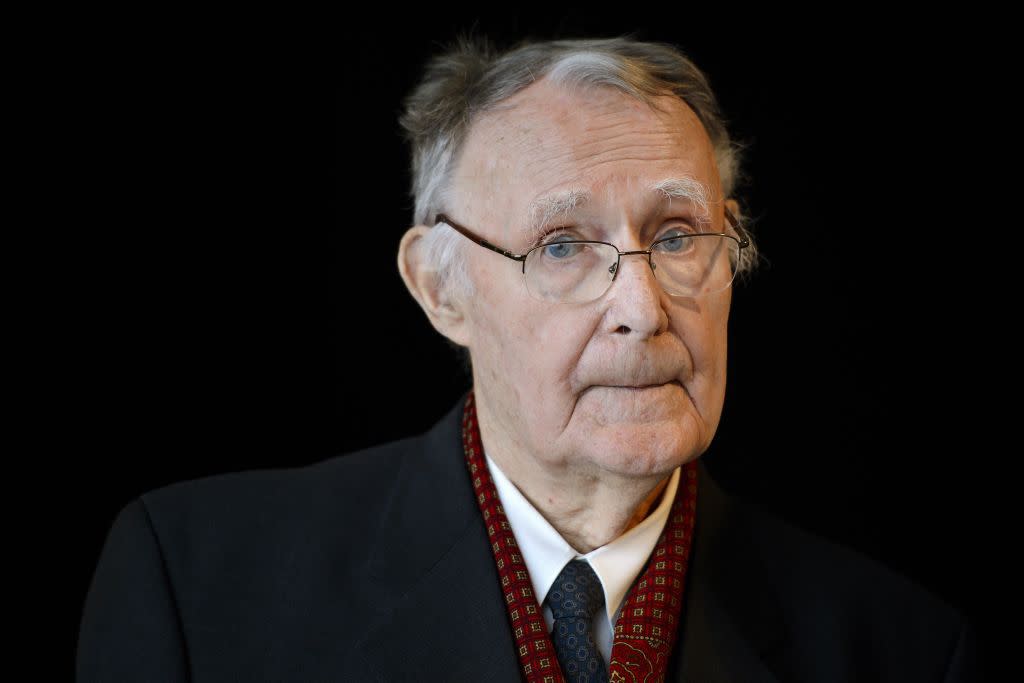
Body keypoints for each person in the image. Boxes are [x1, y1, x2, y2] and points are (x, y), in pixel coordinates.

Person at [77, 35, 979, 682]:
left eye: (676, 235)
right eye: (561, 245)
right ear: (440, 288)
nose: (641, 306)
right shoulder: (197, 586)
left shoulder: (900, 647)